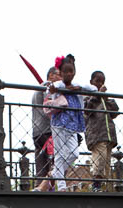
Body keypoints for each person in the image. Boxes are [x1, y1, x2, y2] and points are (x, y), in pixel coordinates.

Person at [47, 54, 97, 191]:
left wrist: (77, 89)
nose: (69, 74)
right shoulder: (59, 84)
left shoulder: (78, 84)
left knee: (74, 153)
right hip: (59, 122)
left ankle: (56, 173)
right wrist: (63, 89)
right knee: (60, 153)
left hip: (73, 123)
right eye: (66, 72)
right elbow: (50, 88)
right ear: (61, 73)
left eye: (71, 71)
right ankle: (61, 185)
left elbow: (94, 89)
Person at [84, 70, 119, 192]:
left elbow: (115, 111)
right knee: (99, 159)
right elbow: (87, 110)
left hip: (108, 134)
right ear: (91, 82)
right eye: (97, 81)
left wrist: (106, 98)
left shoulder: (105, 98)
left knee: (106, 163)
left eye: (102, 81)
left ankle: (102, 185)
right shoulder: (87, 96)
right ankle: (95, 185)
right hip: (96, 134)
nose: (100, 84)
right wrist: (97, 96)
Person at [34, 67, 62, 192]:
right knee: (54, 163)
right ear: (51, 75)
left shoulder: (37, 89)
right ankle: (50, 191)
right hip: (48, 130)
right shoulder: (48, 87)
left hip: (37, 131)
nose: (61, 78)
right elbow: (50, 104)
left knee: (41, 166)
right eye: (59, 75)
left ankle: (38, 191)